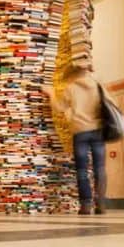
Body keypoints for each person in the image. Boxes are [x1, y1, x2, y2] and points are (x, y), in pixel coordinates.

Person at [43, 62, 106, 215]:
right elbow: (110, 104)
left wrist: (51, 94)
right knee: (100, 169)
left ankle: (85, 205)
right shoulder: (98, 85)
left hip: (80, 132)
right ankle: (101, 204)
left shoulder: (71, 88)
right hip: (98, 130)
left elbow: (59, 108)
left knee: (82, 170)